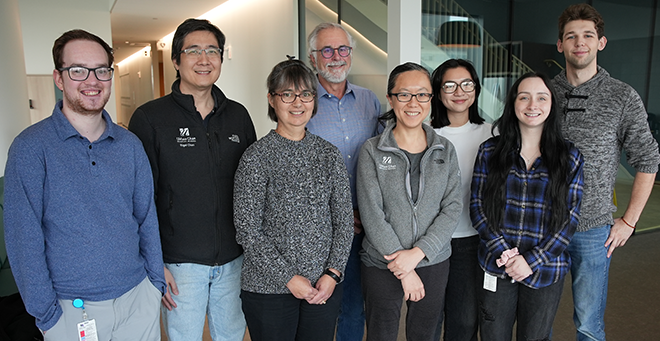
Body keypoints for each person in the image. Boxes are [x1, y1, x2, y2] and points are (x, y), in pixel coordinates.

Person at [4, 29, 165, 341]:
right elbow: (23, 238)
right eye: (78, 70)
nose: (92, 81)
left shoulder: (129, 145)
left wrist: (154, 285)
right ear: (59, 78)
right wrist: (46, 314)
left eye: (102, 70)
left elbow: (147, 217)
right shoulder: (30, 148)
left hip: (137, 301)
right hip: (70, 312)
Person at [129, 18, 256, 341]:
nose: (204, 59)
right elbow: (139, 198)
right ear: (176, 60)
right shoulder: (150, 118)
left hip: (234, 258)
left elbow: (254, 188)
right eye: (194, 51)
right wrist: (154, 261)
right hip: (179, 262)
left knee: (231, 336)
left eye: (212, 50)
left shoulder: (238, 115)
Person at [552, 4, 660, 340]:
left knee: (588, 323)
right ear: (560, 45)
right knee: (535, 320)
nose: (579, 42)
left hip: (593, 228)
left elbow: (648, 158)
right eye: (571, 36)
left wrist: (629, 221)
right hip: (542, 225)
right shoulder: (542, 94)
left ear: (601, 42)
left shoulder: (622, 96)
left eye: (587, 35)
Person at [233, 59, 353, 341]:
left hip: (323, 285)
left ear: (314, 100)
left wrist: (333, 273)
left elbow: (344, 222)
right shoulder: (256, 157)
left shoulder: (328, 154)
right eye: (287, 94)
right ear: (272, 100)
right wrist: (289, 278)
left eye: (305, 94)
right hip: (268, 289)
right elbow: (247, 231)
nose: (297, 103)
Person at [471, 72, 584, 341]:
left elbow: (569, 220)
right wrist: (507, 255)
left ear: (552, 104)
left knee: (535, 337)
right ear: (513, 104)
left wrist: (530, 261)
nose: (533, 105)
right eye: (524, 97)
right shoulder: (490, 151)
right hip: (497, 264)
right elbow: (477, 206)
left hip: (546, 268)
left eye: (541, 98)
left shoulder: (570, 157)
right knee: (492, 335)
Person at [357, 62, 462, 341]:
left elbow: (451, 207)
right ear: (391, 98)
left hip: (433, 261)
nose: (413, 102)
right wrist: (404, 270)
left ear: (431, 98)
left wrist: (418, 254)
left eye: (422, 94)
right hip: (381, 262)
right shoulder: (372, 150)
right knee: (381, 334)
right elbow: (371, 213)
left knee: (425, 335)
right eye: (404, 94)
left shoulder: (445, 150)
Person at [305, 22, 382, 341]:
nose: (335, 56)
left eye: (342, 49)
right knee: (319, 304)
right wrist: (336, 215)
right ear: (313, 58)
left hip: (367, 224)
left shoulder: (371, 101)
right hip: (320, 227)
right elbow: (299, 172)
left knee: (354, 306)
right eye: (326, 50)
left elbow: (382, 162)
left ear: (351, 54)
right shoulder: (302, 103)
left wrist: (369, 211)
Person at [430, 59, 492, 341]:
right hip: (429, 241)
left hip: (471, 239)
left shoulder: (493, 134)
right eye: (450, 85)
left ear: (476, 89)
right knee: (428, 320)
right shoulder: (426, 133)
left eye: (467, 84)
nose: (459, 91)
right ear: (438, 91)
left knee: (465, 321)